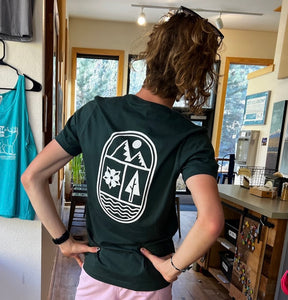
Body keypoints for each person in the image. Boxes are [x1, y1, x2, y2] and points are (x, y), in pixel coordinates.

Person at [22, 6, 224, 300]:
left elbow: (32, 177)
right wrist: (174, 267)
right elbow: (211, 221)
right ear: (194, 74)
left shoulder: (94, 113)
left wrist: (63, 241)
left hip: (97, 273)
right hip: (150, 282)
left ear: (152, 53)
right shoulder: (190, 136)